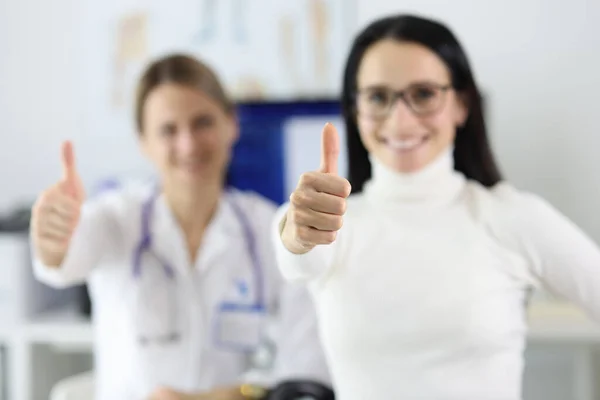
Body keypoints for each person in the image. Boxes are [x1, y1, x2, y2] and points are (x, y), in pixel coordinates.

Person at [272, 14, 600, 400]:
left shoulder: (511, 217)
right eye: (378, 97)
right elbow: (297, 254)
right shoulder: (331, 221)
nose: (400, 119)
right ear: (355, 110)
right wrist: (299, 231)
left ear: (461, 104)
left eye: (424, 94)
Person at [30, 54, 330, 400]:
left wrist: (237, 395)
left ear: (231, 125)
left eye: (202, 122)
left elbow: (306, 371)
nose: (188, 145)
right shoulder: (115, 219)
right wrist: (53, 238)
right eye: (168, 130)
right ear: (143, 142)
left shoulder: (270, 229)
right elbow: (65, 257)